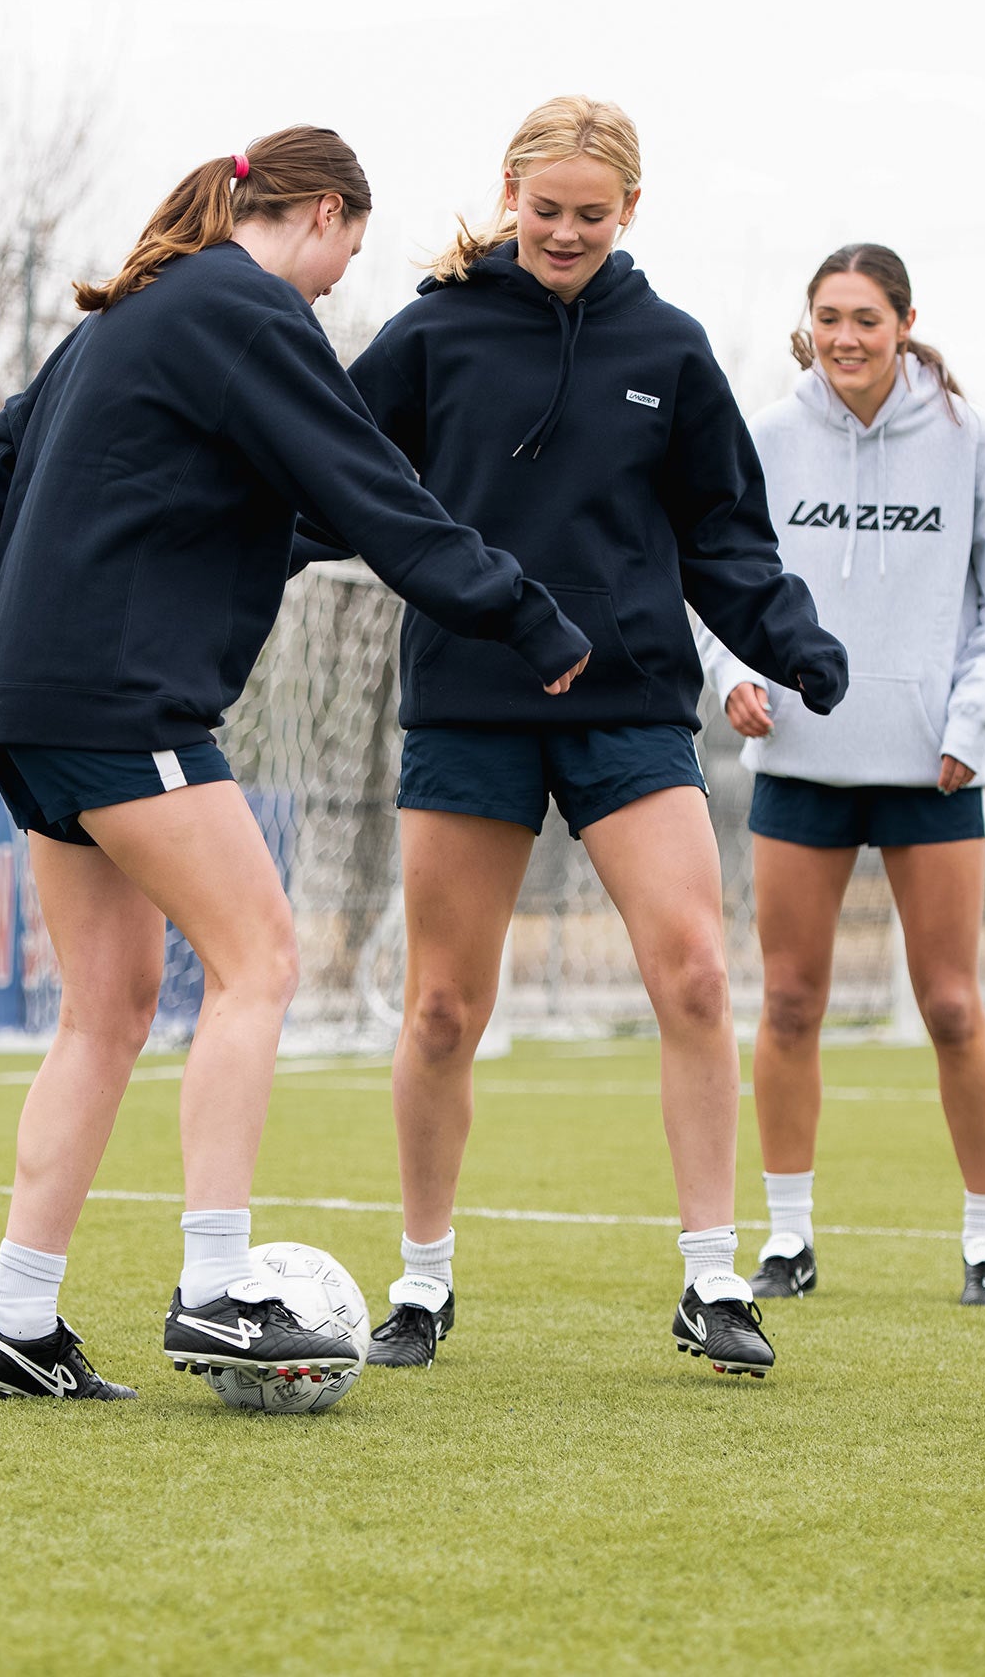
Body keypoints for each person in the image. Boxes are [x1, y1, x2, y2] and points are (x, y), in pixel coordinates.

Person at [0, 126, 591, 1402]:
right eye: (341, 261)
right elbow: (373, 489)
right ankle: (215, 1292)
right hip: (119, 701)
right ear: (317, 216)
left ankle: (16, 1318)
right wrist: (521, 611)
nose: (330, 291)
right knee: (262, 960)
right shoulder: (247, 309)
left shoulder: (126, 317)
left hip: (31, 703)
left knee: (108, 1010)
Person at [311, 96, 848, 1380]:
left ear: (630, 212)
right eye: (544, 210)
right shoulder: (432, 334)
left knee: (698, 978)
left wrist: (793, 637)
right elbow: (335, 479)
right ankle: (423, 1283)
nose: (563, 232)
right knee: (442, 1007)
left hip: (627, 707)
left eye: (589, 215)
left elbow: (725, 535)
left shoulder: (669, 346)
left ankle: (713, 1279)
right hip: (470, 703)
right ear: (508, 194)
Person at [694, 243, 985, 1308]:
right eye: (828, 318)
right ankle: (789, 1237)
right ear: (810, 328)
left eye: (866, 317)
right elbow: (714, 575)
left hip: (932, 773)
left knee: (949, 1005)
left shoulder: (969, 442)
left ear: (903, 322)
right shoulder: (764, 436)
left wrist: (972, 717)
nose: (846, 337)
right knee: (792, 1001)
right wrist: (733, 671)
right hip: (803, 762)